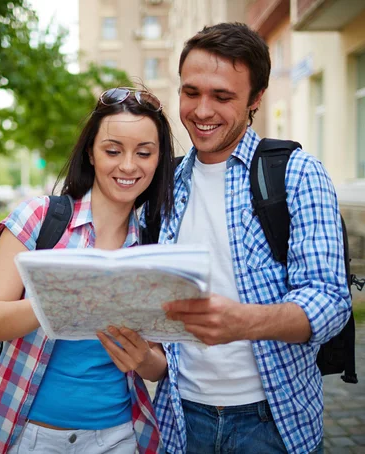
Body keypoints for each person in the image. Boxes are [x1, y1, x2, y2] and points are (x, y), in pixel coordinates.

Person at [148, 22, 352, 454]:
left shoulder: (298, 174)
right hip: (180, 419)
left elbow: (331, 302)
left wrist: (245, 321)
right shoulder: (165, 183)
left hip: (272, 422)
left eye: (222, 97)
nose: (201, 111)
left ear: (256, 98)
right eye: (191, 92)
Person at [0, 86, 176, 454]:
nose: (128, 165)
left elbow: (160, 365)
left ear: (159, 160)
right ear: (91, 153)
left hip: (119, 436)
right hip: (29, 434)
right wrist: (64, 297)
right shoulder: (39, 219)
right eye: (113, 150)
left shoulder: (155, 244)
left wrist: (143, 359)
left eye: (144, 153)